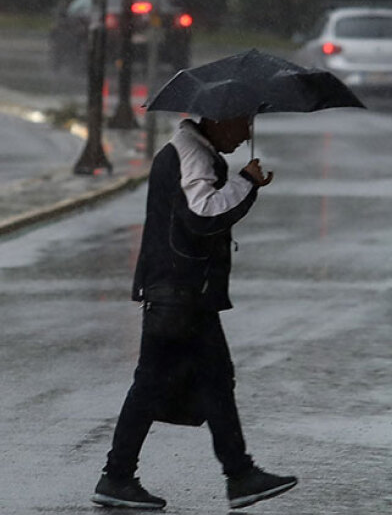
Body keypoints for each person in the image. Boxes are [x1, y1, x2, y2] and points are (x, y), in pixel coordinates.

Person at [92, 113, 297, 511]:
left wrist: (242, 184)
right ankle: (234, 476)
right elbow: (202, 214)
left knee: (198, 381)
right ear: (219, 120)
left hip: (180, 292)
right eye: (242, 124)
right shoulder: (193, 155)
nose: (247, 133)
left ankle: (232, 475)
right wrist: (246, 182)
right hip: (179, 292)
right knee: (178, 383)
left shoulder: (193, 152)